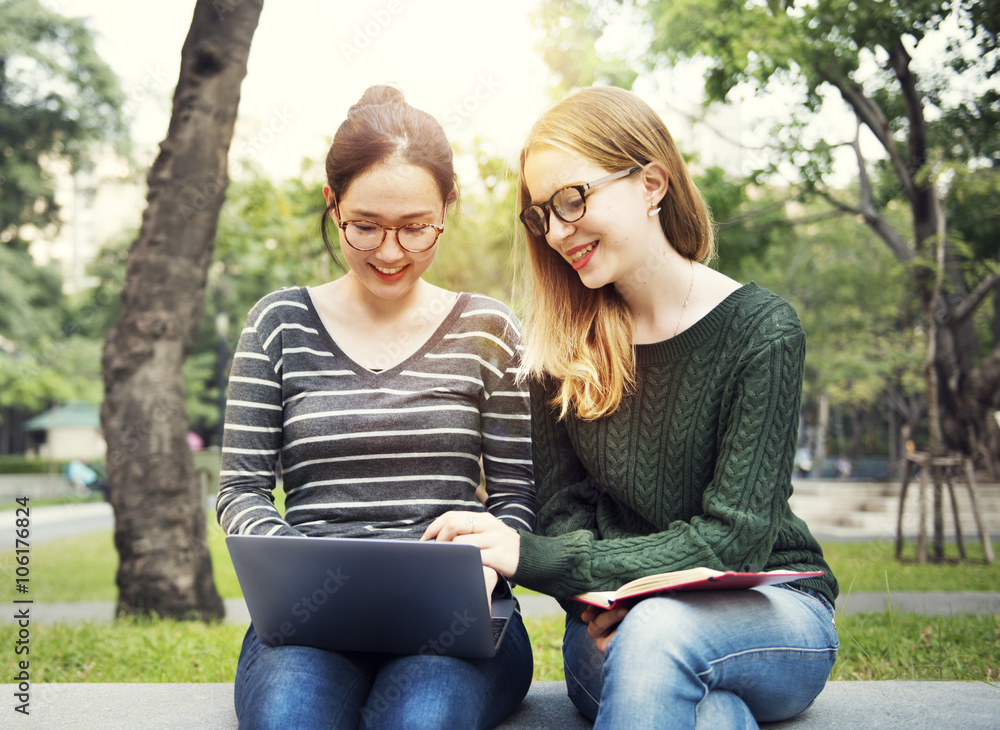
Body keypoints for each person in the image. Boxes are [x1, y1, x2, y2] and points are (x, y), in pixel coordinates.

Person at [424, 86, 839, 728]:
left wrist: (542, 558)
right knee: (711, 715)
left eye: (573, 199)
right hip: (606, 626)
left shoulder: (762, 331)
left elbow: (734, 541)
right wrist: (602, 594)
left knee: (661, 630)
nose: (558, 231)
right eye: (542, 214)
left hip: (768, 614)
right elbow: (562, 512)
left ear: (651, 184)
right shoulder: (559, 346)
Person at [217, 85, 535, 730]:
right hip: (307, 625)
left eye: (417, 228)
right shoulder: (280, 323)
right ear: (332, 204)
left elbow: (519, 495)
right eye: (365, 226)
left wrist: (488, 562)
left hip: (458, 620)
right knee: (288, 720)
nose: (391, 253)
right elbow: (241, 491)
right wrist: (296, 572)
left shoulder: (489, 330)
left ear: (449, 205)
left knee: (423, 720)